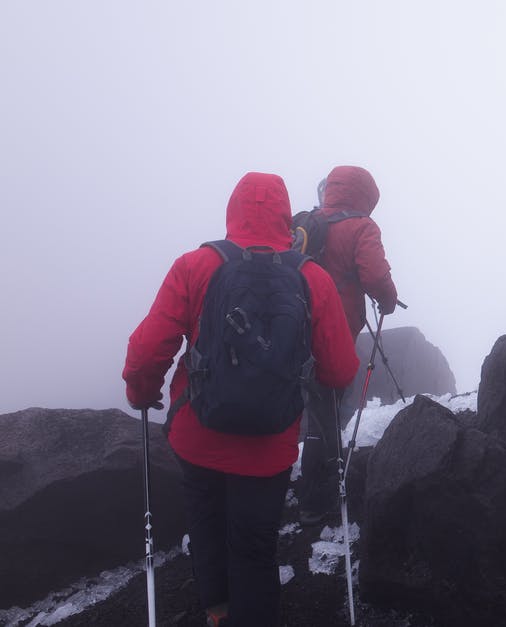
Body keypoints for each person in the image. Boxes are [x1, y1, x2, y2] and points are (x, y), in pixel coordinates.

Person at [123, 172, 359, 627]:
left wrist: (142, 392)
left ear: (232, 211)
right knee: (254, 547)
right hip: (268, 448)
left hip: (199, 436)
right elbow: (340, 370)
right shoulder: (311, 277)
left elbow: (145, 352)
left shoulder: (195, 266)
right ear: (284, 217)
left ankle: (218, 614)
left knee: (208, 530)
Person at [296, 165, 400, 525]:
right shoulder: (361, 226)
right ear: (366, 196)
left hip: (294, 327)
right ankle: (317, 494)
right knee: (329, 407)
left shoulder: (308, 222)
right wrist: (387, 300)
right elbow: (373, 275)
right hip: (334, 329)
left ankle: (306, 482)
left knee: (314, 404)